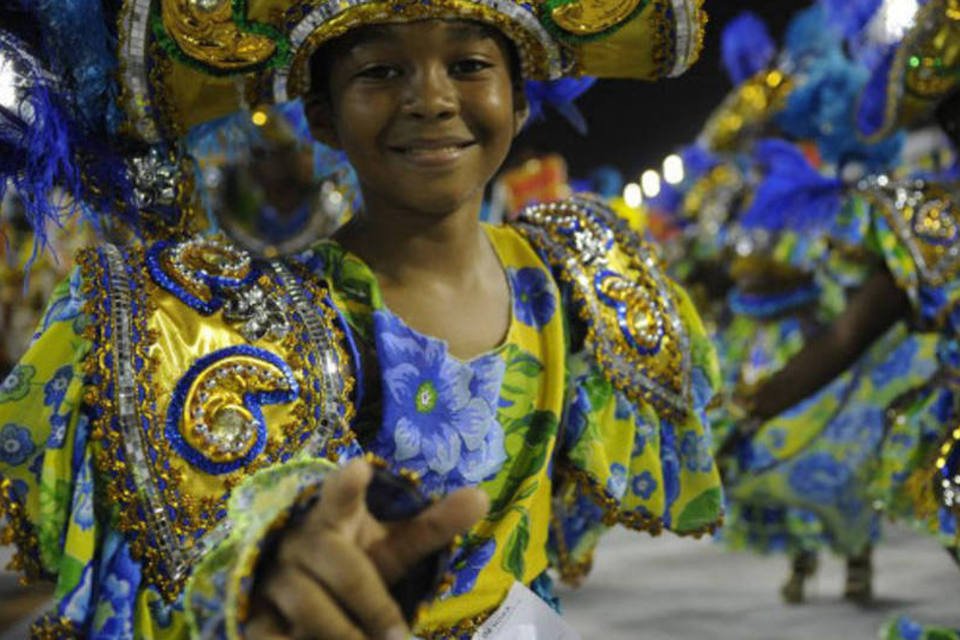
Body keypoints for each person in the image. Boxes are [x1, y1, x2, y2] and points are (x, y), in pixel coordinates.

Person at [0, 1, 722, 638]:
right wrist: (271, 556)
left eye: (468, 63)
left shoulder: (576, 274)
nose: (431, 99)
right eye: (380, 73)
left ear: (520, 97)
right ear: (323, 116)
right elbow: (216, 549)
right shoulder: (237, 318)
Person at [725, 0, 959, 629]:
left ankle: (852, 558)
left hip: (862, 369)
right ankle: (815, 560)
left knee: (850, 469)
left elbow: (851, 333)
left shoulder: (906, 216)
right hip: (809, 349)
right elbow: (847, 332)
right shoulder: (928, 224)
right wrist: (755, 403)